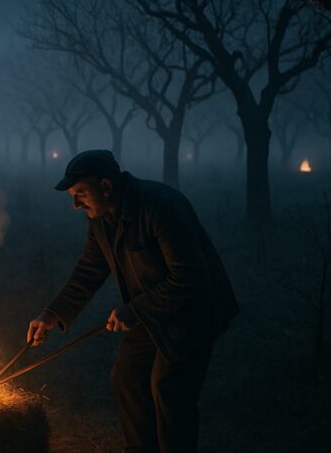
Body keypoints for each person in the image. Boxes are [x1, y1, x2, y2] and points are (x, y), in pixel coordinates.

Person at [25, 149, 237, 453]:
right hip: (150, 312)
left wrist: (134, 310)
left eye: (81, 193)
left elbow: (190, 276)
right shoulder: (100, 218)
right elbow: (89, 270)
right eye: (72, 195)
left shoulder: (160, 206)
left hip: (193, 312)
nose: (75, 204)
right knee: (127, 379)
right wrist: (51, 313)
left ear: (106, 186)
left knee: (168, 388)